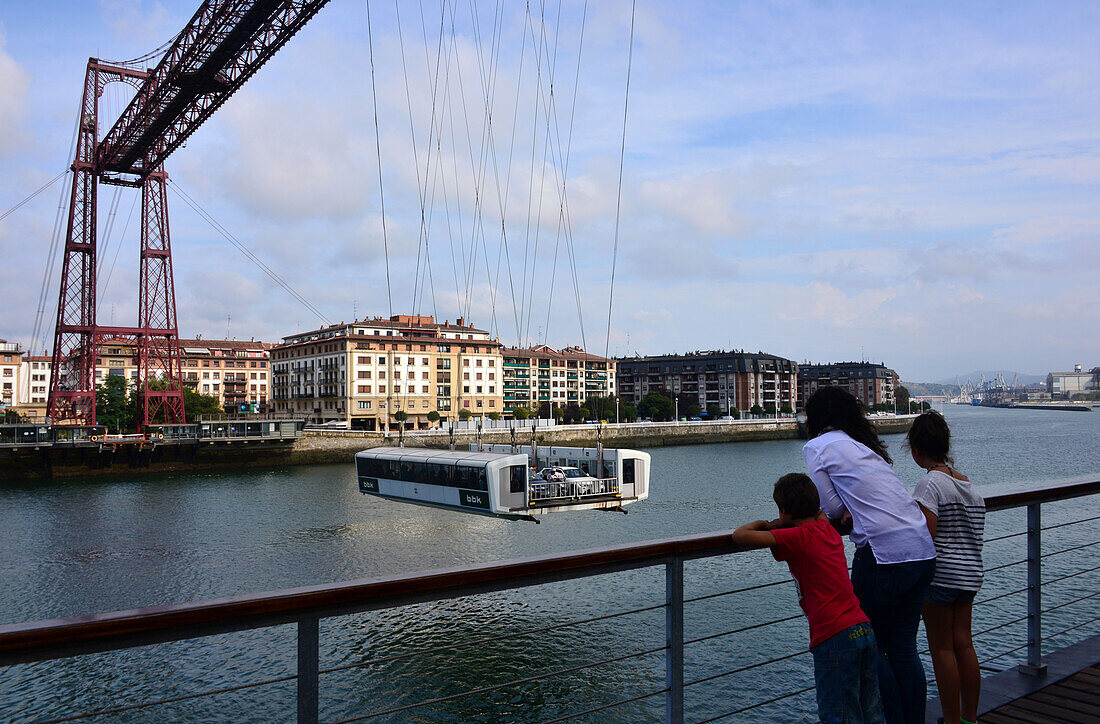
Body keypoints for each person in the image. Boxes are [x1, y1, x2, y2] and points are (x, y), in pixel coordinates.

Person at [802, 386, 937, 724]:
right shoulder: (863, 447)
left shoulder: (817, 447)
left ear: (815, 417)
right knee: (904, 649)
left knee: (873, 646)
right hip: (921, 550)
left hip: (884, 555)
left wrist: (845, 510)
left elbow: (830, 506)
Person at [734, 473, 884, 724]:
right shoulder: (825, 528)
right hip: (862, 629)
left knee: (839, 715)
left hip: (834, 636)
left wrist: (768, 523)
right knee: (871, 712)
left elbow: (740, 536)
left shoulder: (797, 537)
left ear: (783, 510)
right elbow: (821, 515)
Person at [908, 411, 984, 724]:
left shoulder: (929, 485)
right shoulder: (967, 485)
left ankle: (951, 720)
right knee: (964, 643)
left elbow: (927, 534)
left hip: (940, 576)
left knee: (941, 650)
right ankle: (969, 718)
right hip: (969, 573)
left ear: (916, 450)